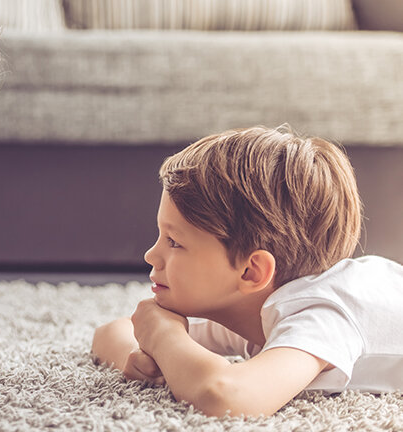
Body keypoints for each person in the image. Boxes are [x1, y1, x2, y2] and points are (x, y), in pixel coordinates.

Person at [92, 126, 403, 417]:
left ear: (251, 273)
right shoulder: (248, 307)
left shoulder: (320, 314)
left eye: (174, 242)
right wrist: (139, 357)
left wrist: (163, 338)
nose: (151, 254)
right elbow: (109, 333)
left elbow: (227, 397)